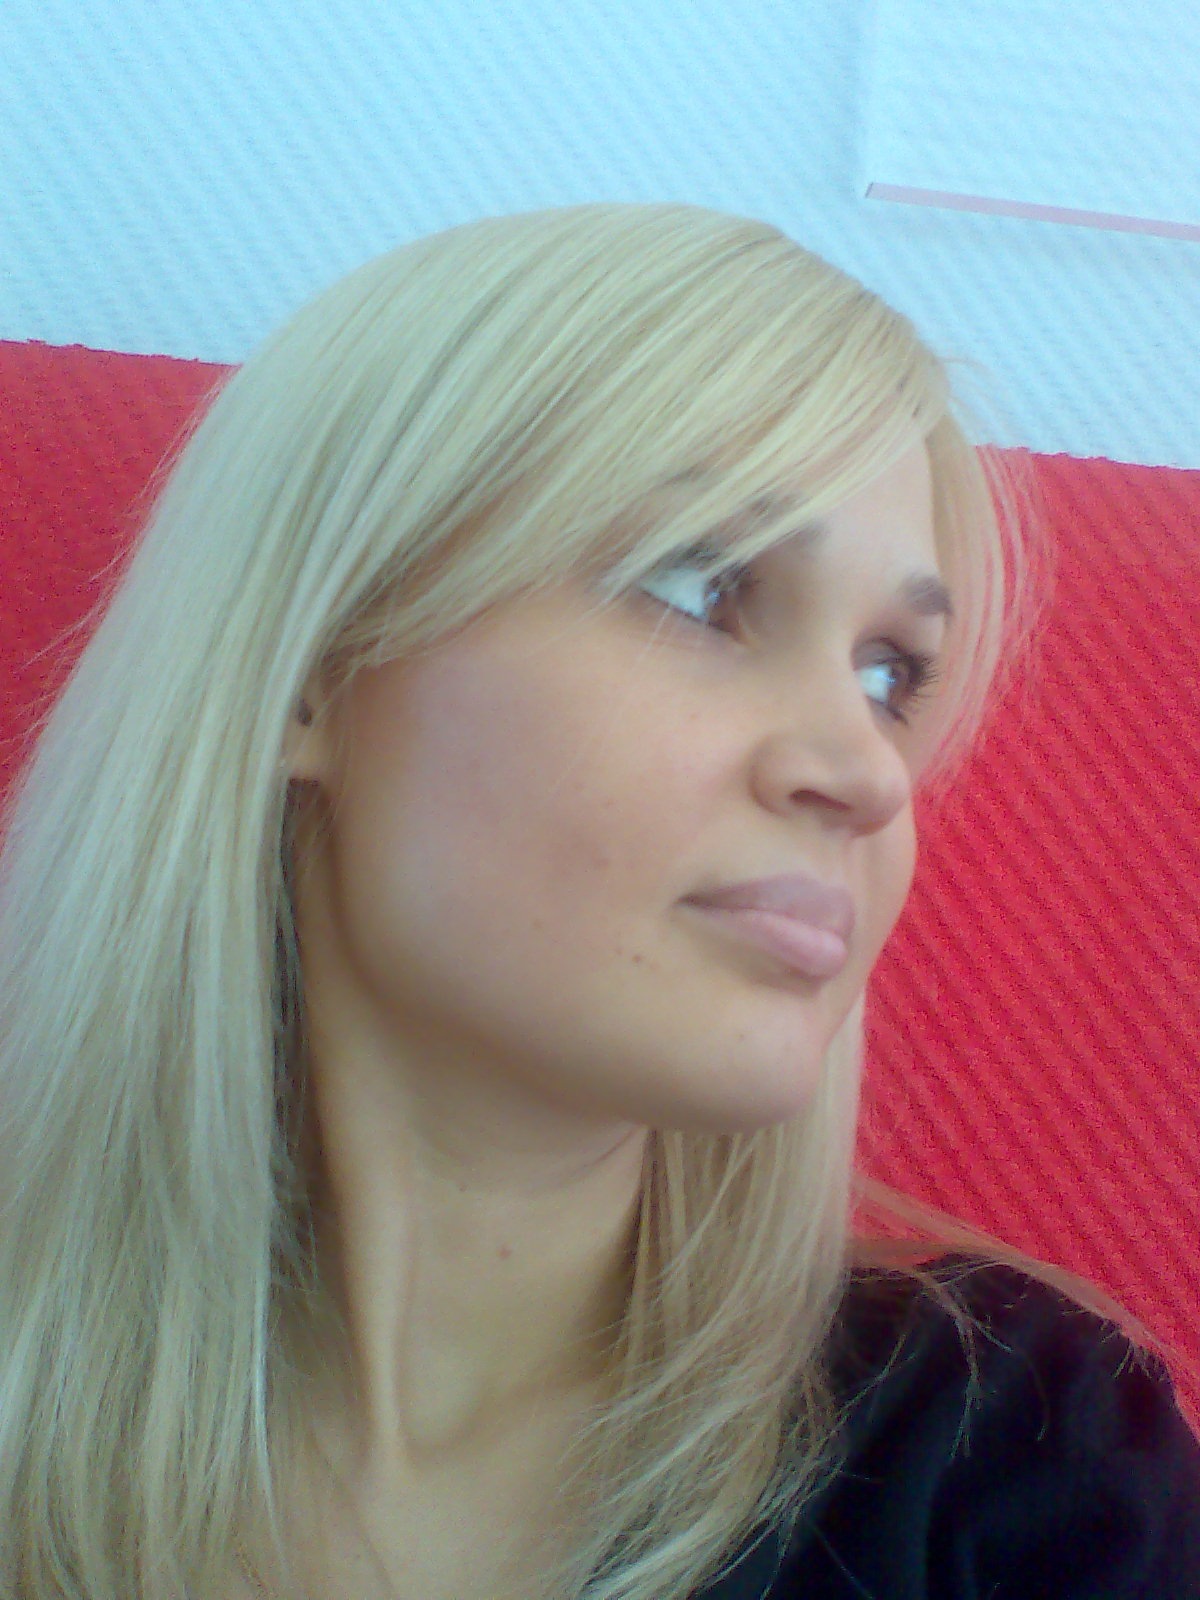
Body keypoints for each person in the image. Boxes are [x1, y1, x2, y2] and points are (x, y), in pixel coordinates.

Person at [0, 203, 1195, 1600]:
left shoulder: (1025, 1463)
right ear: (313, 668)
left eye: (891, 676)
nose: (871, 773)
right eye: (702, 588)